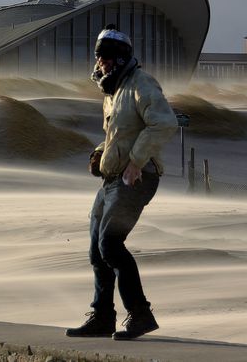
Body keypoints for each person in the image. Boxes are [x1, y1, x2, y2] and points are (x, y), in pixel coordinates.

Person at [66, 25, 178, 340]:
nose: (100, 62)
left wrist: (135, 162)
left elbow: (164, 123)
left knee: (110, 245)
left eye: (105, 57)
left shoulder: (142, 83)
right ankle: (102, 318)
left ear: (120, 58)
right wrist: (99, 154)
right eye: (99, 57)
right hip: (113, 179)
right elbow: (117, 136)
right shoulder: (113, 92)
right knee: (95, 249)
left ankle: (140, 315)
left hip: (139, 178)